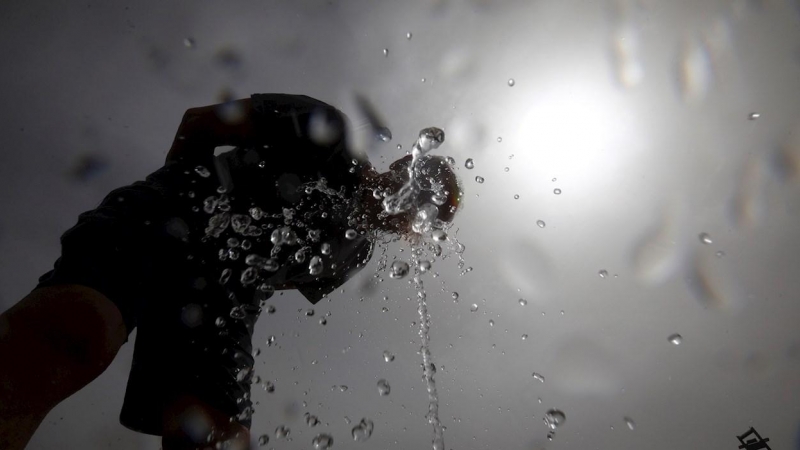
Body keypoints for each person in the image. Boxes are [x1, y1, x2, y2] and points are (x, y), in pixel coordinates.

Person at [0, 94, 462, 450]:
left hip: (227, 297)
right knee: (76, 333)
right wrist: (186, 203)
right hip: (170, 216)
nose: (411, 210)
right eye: (418, 189)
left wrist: (225, 282)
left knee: (215, 438)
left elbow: (275, 274)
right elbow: (200, 121)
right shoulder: (329, 132)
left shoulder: (353, 254)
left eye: (423, 214)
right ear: (406, 163)